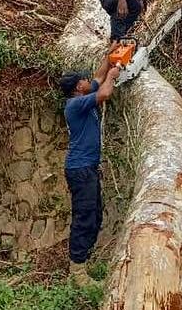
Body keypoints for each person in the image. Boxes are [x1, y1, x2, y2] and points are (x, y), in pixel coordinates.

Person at [60, 54, 120, 286]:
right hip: (80, 169)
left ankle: (83, 262)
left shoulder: (84, 95)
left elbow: (98, 76)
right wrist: (113, 76)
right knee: (84, 217)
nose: (88, 81)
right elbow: (104, 92)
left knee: (95, 215)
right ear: (78, 87)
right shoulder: (76, 104)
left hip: (88, 169)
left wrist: (111, 54)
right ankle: (77, 273)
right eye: (83, 80)